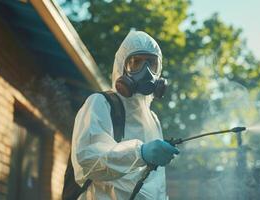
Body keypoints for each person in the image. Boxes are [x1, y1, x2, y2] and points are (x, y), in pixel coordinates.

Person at [71, 30, 179, 200]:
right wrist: (139, 153)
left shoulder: (153, 120)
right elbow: (88, 159)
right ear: (121, 67)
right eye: (136, 62)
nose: (146, 72)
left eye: (151, 63)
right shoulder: (102, 103)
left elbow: (157, 184)